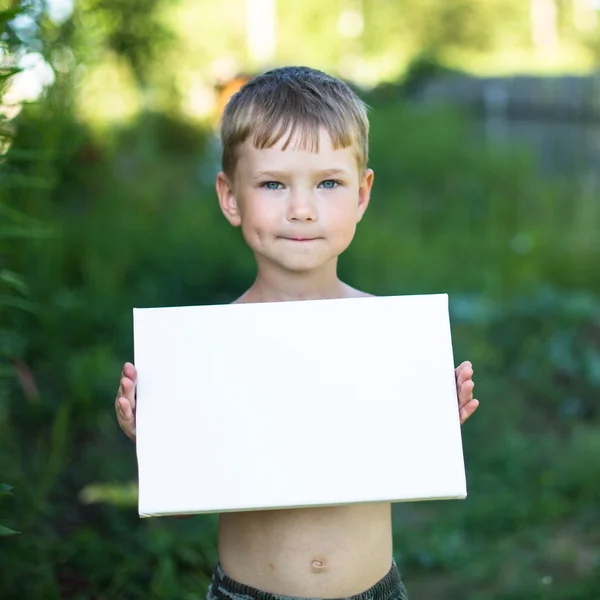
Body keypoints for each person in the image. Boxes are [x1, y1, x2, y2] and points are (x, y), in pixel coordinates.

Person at [114, 66, 479, 600]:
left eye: (329, 182)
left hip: (374, 589)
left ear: (362, 193)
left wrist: (430, 422)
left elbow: (399, 464)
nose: (302, 209)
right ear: (231, 196)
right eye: (272, 184)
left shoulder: (388, 337)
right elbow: (188, 499)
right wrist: (159, 440)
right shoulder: (209, 350)